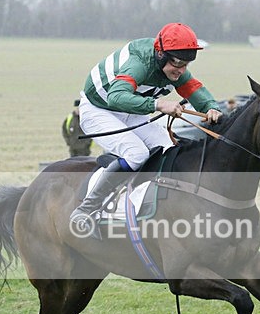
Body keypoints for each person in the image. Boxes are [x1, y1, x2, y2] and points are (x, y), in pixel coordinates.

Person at [69, 23, 222, 236]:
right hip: (99, 109)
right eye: (176, 62)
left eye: (186, 64)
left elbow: (194, 89)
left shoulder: (176, 67)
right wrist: (159, 105)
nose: (180, 70)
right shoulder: (139, 63)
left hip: (130, 110)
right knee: (136, 153)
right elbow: (116, 96)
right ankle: (86, 210)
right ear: (160, 55)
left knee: (169, 148)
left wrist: (211, 108)